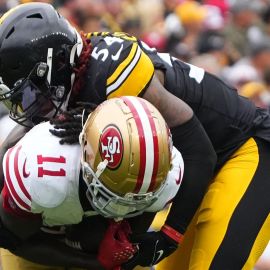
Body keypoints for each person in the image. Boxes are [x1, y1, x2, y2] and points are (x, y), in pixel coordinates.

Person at [1, 2, 270, 269]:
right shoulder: (74, 76)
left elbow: (199, 150)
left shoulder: (113, 75)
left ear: (59, 63)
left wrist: (170, 236)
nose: (28, 106)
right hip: (191, 170)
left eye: (30, 92)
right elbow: (16, 142)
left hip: (242, 149)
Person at [0, 96, 184, 270]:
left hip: (86, 230)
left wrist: (125, 248)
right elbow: (12, 239)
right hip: (37, 235)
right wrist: (94, 263)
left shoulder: (165, 171)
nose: (120, 208)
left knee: (96, 236)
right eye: (112, 193)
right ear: (88, 154)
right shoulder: (41, 170)